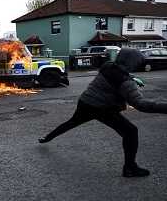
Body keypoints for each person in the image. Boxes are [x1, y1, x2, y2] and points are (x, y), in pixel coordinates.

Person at [39, 48, 167, 177]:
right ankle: (130, 168)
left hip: (86, 101)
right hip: (102, 108)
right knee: (130, 132)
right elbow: (141, 105)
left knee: (72, 122)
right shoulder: (125, 82)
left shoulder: (108, 66)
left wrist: (131, 78)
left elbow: (119, 73)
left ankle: (46, 138)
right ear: (133, 62)